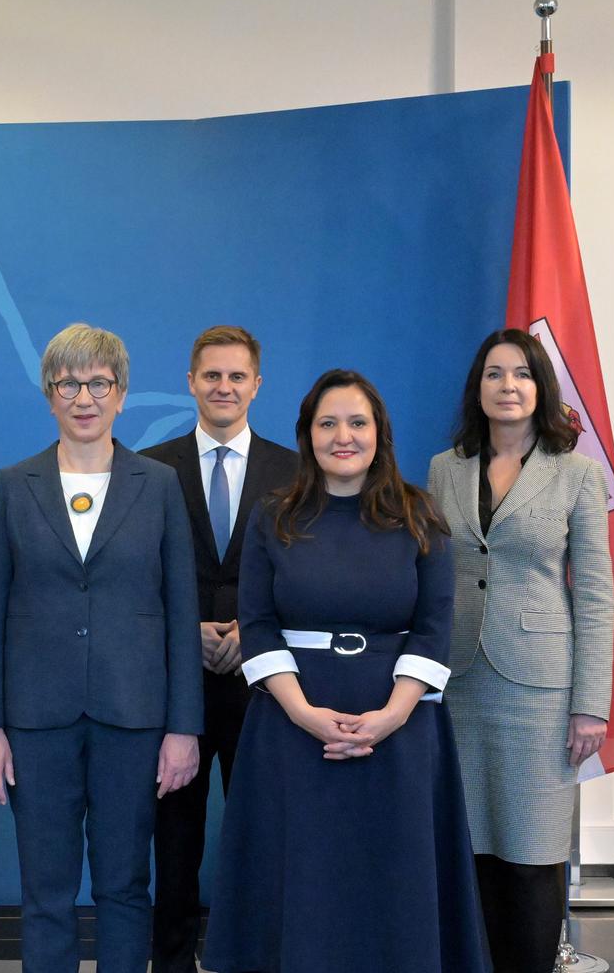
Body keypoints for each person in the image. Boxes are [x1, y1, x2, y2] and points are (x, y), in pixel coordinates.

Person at [201, 369, 489, 973]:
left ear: (379, 433)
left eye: (357, 422)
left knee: (392, 881)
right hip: (291, 734)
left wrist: (391, 716)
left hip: (401, 734)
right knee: (303, 880)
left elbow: (435, 627)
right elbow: (256, 625)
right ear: (307, 435)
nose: (343, 436)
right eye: (327, 423)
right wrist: (304, 713)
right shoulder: (272, 516)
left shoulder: (420, 515)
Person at [0, 324, 202, 973]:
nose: (84, 397)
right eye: (69, 383)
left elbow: (182, 614)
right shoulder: (14, 487)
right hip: (36, 724)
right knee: (45, 894)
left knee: (125, 888)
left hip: (133, 721)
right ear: (49, 395)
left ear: (122, 395)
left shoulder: (157, 486)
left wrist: (184, 728)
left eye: (99, 383)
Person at [427, 329, 613, 973]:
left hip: (540, 688)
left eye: (522, 375)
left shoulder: (578, 474)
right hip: (459, 683)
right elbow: (433, 576)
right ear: (477, 389)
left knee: (532, 845)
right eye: (495, 375)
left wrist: (591, 705)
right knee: (470, 841)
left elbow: (595, 595)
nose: (508, 387)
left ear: (541, 388)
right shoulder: (444, 468)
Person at [138, 325, 298, 970]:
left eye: (237, 376)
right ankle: (171, 962)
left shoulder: (294, 471)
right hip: (176, 682)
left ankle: (254, 957)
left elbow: (307, 575)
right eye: (212, 376)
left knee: (262, 836)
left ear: (257, 385)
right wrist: (191, 631)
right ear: (191, 383)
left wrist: (246, 633)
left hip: (267, 685)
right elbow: (139, 574)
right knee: (173, 841)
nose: (224, 387)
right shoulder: (151, 468)